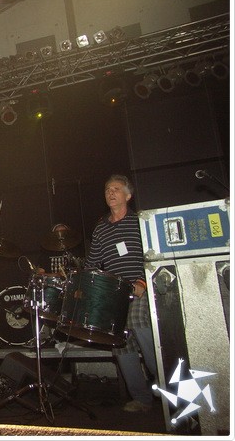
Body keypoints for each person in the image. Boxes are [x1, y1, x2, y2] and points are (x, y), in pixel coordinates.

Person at [84, 174, 157, 413]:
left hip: (140, 289)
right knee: (119, 341)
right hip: (114, 295)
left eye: (116, 189)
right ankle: (142, 399)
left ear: (128, 195)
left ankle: (168, 384)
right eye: (107, 189)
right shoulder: (101, 229)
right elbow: (93, 264)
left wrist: (143, 282)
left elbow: (153, 255)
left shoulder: (139, 222)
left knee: (137, 321)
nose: (110, 193)